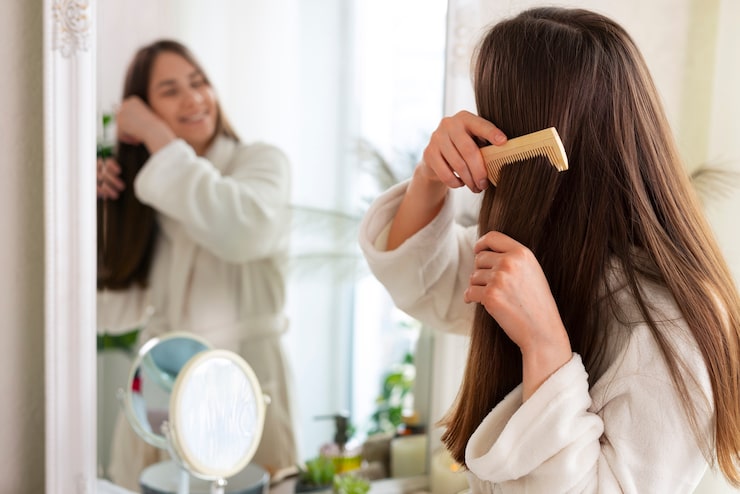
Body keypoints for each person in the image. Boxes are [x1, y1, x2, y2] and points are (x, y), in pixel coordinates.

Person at [359, 7, 740, 493]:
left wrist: (544, 344)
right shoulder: (549, 262)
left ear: (522, 145)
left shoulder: (670, 326)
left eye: (490, 115)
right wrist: (429, 178)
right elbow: (424, 281)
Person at [96, 39, 298, 489]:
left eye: (198, 82)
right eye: (170, 90)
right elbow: (111, 311)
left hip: (247, 383)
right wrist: (96, 209)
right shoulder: (146, 188)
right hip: (160, 392)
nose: (193, 98)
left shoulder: (261, 162)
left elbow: (242, 231)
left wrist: (154, 132)